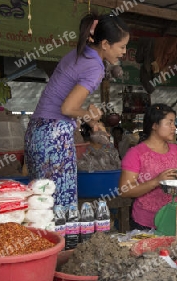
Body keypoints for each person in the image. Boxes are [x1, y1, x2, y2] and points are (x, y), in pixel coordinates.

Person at [24, 13, 130, 208]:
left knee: (40, 204)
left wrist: (86, 118)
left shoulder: (79, 53)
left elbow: (63, 103)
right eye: (122, 46)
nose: (124, 52)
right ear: (105, 43)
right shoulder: (95, 67)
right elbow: (68, 108)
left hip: (37, 130)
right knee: (60, 206)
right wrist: (92, 115)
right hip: (54, 136)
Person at [119, 104, 177, 230]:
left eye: (174, 123)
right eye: (169, 123)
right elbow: (125, 190)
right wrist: (156, 181)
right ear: (154, 125)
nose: (174, 127)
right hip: (146, 222)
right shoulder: (136, 153)